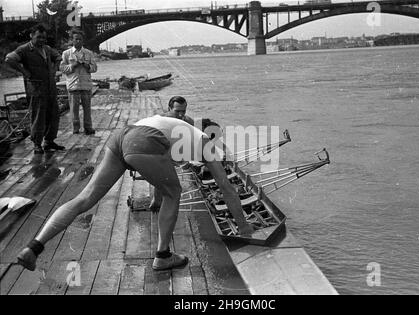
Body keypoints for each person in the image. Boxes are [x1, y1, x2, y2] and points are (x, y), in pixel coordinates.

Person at [17, 116, 254, 271]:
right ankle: (163, 256)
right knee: (175, 194)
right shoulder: (205, 143)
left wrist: (156, 197)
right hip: (145, 141)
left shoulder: (178, 128)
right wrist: (244, 228)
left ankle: (33, 247)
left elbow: (158, 172)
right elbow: (226, 188)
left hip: (123, 136)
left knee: (85, 198)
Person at [5, 24, 65, 154]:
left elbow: (58, 57)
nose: (42, 40)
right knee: (38, 116)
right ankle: (37, 143)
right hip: (36, 89)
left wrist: (55, 69)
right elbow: (9, 58)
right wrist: (23, 71)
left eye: (44, 37)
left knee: (54, 115)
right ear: (31, 36)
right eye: (39, 37)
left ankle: (49, 141)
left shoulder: (47, 49)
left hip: (50, 87)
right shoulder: (24, 49)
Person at [60, 28, 97, 135]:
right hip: (73, 85)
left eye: (80, 39)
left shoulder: (88, 53)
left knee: (87, 109)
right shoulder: (66, 54)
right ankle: (75, 129)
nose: (78, 41)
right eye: (76, 39)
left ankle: (88, 128)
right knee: (74, 109)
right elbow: (62, 69)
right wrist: (73, 66)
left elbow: (94, 68)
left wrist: (87, 66)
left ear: (83, 40)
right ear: (72, 40)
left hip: (85, 85)